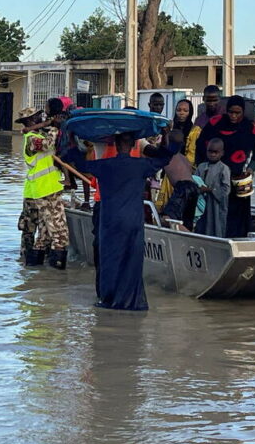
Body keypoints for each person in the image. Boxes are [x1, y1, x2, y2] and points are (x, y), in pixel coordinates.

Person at [67, 128, 177, 310]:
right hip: (133, 220)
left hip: (109, 221)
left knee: (110, 260)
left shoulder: (105, 165)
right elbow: (165, 157)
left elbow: (79, 162)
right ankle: (132, 302)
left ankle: (109, 300)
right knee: (132, 261)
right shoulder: (141, 165)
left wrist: (72, 136)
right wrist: (165, 134)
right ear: (134, 144)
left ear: (116, 145)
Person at [195, 95, 255, 238]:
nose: (233, 116)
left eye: (237, 113)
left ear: (243, 112)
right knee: (213, 213)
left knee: (237, 217)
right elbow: (200, 145)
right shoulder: (215, 123)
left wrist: (250, 169)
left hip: (237, 179)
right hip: (214, 178)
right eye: (231, 112)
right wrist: (201, 170)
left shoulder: (249, 128)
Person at [17, 107, 69, 269]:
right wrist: (54, 127)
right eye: (39, 116)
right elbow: (46, 145)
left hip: (47, 189)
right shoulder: (32, 138)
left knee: (45, 235)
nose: (43, 118)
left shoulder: (37, 134)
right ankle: (57, 275)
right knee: (60, 235)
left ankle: (35, 273)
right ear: (31, 121)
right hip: (44, 190)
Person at [154, 99, 201, 211]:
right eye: (179, 110)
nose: (181, 113)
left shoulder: (195, 131)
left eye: (185, 110)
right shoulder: (168, 127)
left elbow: (192, 155)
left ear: (190, 112)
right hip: (166, 171)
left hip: (184, 173)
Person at [161, 129, 200, 231]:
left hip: (183, 187)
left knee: (167, 218)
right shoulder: (184, 158)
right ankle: (188, 235)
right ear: (182, 144)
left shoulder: (166, 156)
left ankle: (192, 237)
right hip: (194, 188)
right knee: (186, 221)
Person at [194, 138, 231, 237]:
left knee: (216, 227)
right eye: (210, 152)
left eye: (216, 152)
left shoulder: (224, 168)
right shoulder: (201, 167)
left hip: (216, 205)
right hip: (201, 203)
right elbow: (194, 182)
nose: (212, 155)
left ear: (222, 153)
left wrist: (210, 190)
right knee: (201, 226)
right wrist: (199, 189)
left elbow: (226, 190)